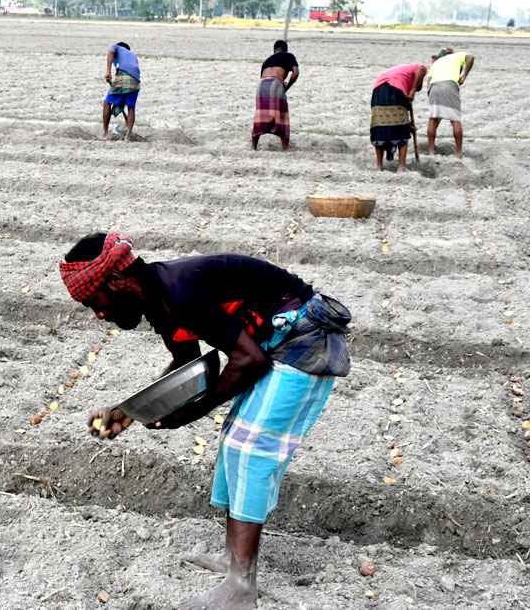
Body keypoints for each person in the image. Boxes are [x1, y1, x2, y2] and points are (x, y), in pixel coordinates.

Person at [62, 233, 351, 610]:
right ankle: (233, 561)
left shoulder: (179, 291)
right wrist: (128, 413)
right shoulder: (160, 301)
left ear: (116, 281)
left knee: (251, 449)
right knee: (233, 440)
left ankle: (241, 587)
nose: (99, 314)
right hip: (274, 343)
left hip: (305, 343)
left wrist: (191, 413)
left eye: (94, 302)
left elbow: (249, 361)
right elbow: (186, 366)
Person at [370, 63, 427, 171]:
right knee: (401, 129)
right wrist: (413, 90)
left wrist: (409, 125)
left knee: (380, 125)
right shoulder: (416, 67)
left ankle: (379, 166)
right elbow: (422, 69)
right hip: (394, 89)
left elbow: (398, 115)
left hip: (378, 91)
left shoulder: (401, 71)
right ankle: (401, 166)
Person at [425, 47, 475, 159]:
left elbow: (428, 82)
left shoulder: (436, 63)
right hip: (449, 85)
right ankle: (458, 153)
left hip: (434, 87)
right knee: (455, 119)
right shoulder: (456, 56)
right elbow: (471, 57)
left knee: (433, 118)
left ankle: (431, 151)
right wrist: (464, 75)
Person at [252, 40, 299, 150]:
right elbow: (295, 73)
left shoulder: (267, 60)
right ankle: (285, 147)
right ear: (285, 49)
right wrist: (287, 87)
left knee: (261, 115)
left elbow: (264, 76)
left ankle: (254, 146)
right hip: (275, 83)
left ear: (274, 50)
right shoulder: (288, 56)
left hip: (262, 85)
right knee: (282, 115)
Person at [102, 41, 142, 141]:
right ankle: (128, 136)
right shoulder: (133, 55)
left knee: (107, 103)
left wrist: (108, 72)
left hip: (124, 77)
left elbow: (110, 51)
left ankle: (105, 133)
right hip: (136, 81)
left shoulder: (116, 47)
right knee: (131, 108)